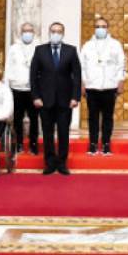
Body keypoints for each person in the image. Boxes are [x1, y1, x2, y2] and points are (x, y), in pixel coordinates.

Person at [31, 22, 82, 175]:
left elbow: (77, 75)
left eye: (59, 31)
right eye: (53, 31)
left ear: (63, 34)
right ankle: (49, 163)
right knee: (47, 133)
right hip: (45, 100)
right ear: (49, 32)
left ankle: (62, 163)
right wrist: (36, 96)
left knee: (63, 133)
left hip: (65, 101)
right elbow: (33, 75)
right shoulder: (40, 50)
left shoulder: (71, 51)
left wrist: (75, 97)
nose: (56, 34)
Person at [80, 17, 126, 156]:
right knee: (92, 117)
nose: (100, 29)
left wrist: (120, 81)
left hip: (109, 86)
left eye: (103, 26)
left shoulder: (115, 44)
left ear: (107, 28)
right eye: (98, 26)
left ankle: (106, 143)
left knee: (108, 117)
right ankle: (93, 143)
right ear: (94, 29)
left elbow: (121, 64)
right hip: (92, 86)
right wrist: (82, 82)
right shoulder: (87, 45)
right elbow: (82, 66)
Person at [5, 22, 41, 154]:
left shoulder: (39, 48)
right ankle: (19, 143)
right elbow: (8, 67)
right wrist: (6, 86)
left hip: (34, 89)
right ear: (21, 33)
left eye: (30, 31)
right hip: (17, 88)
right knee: (17, 118)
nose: (27, 33)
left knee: (34, 118)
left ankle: (33, 144)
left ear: (34, 33)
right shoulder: (14, 48)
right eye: (25, 31)